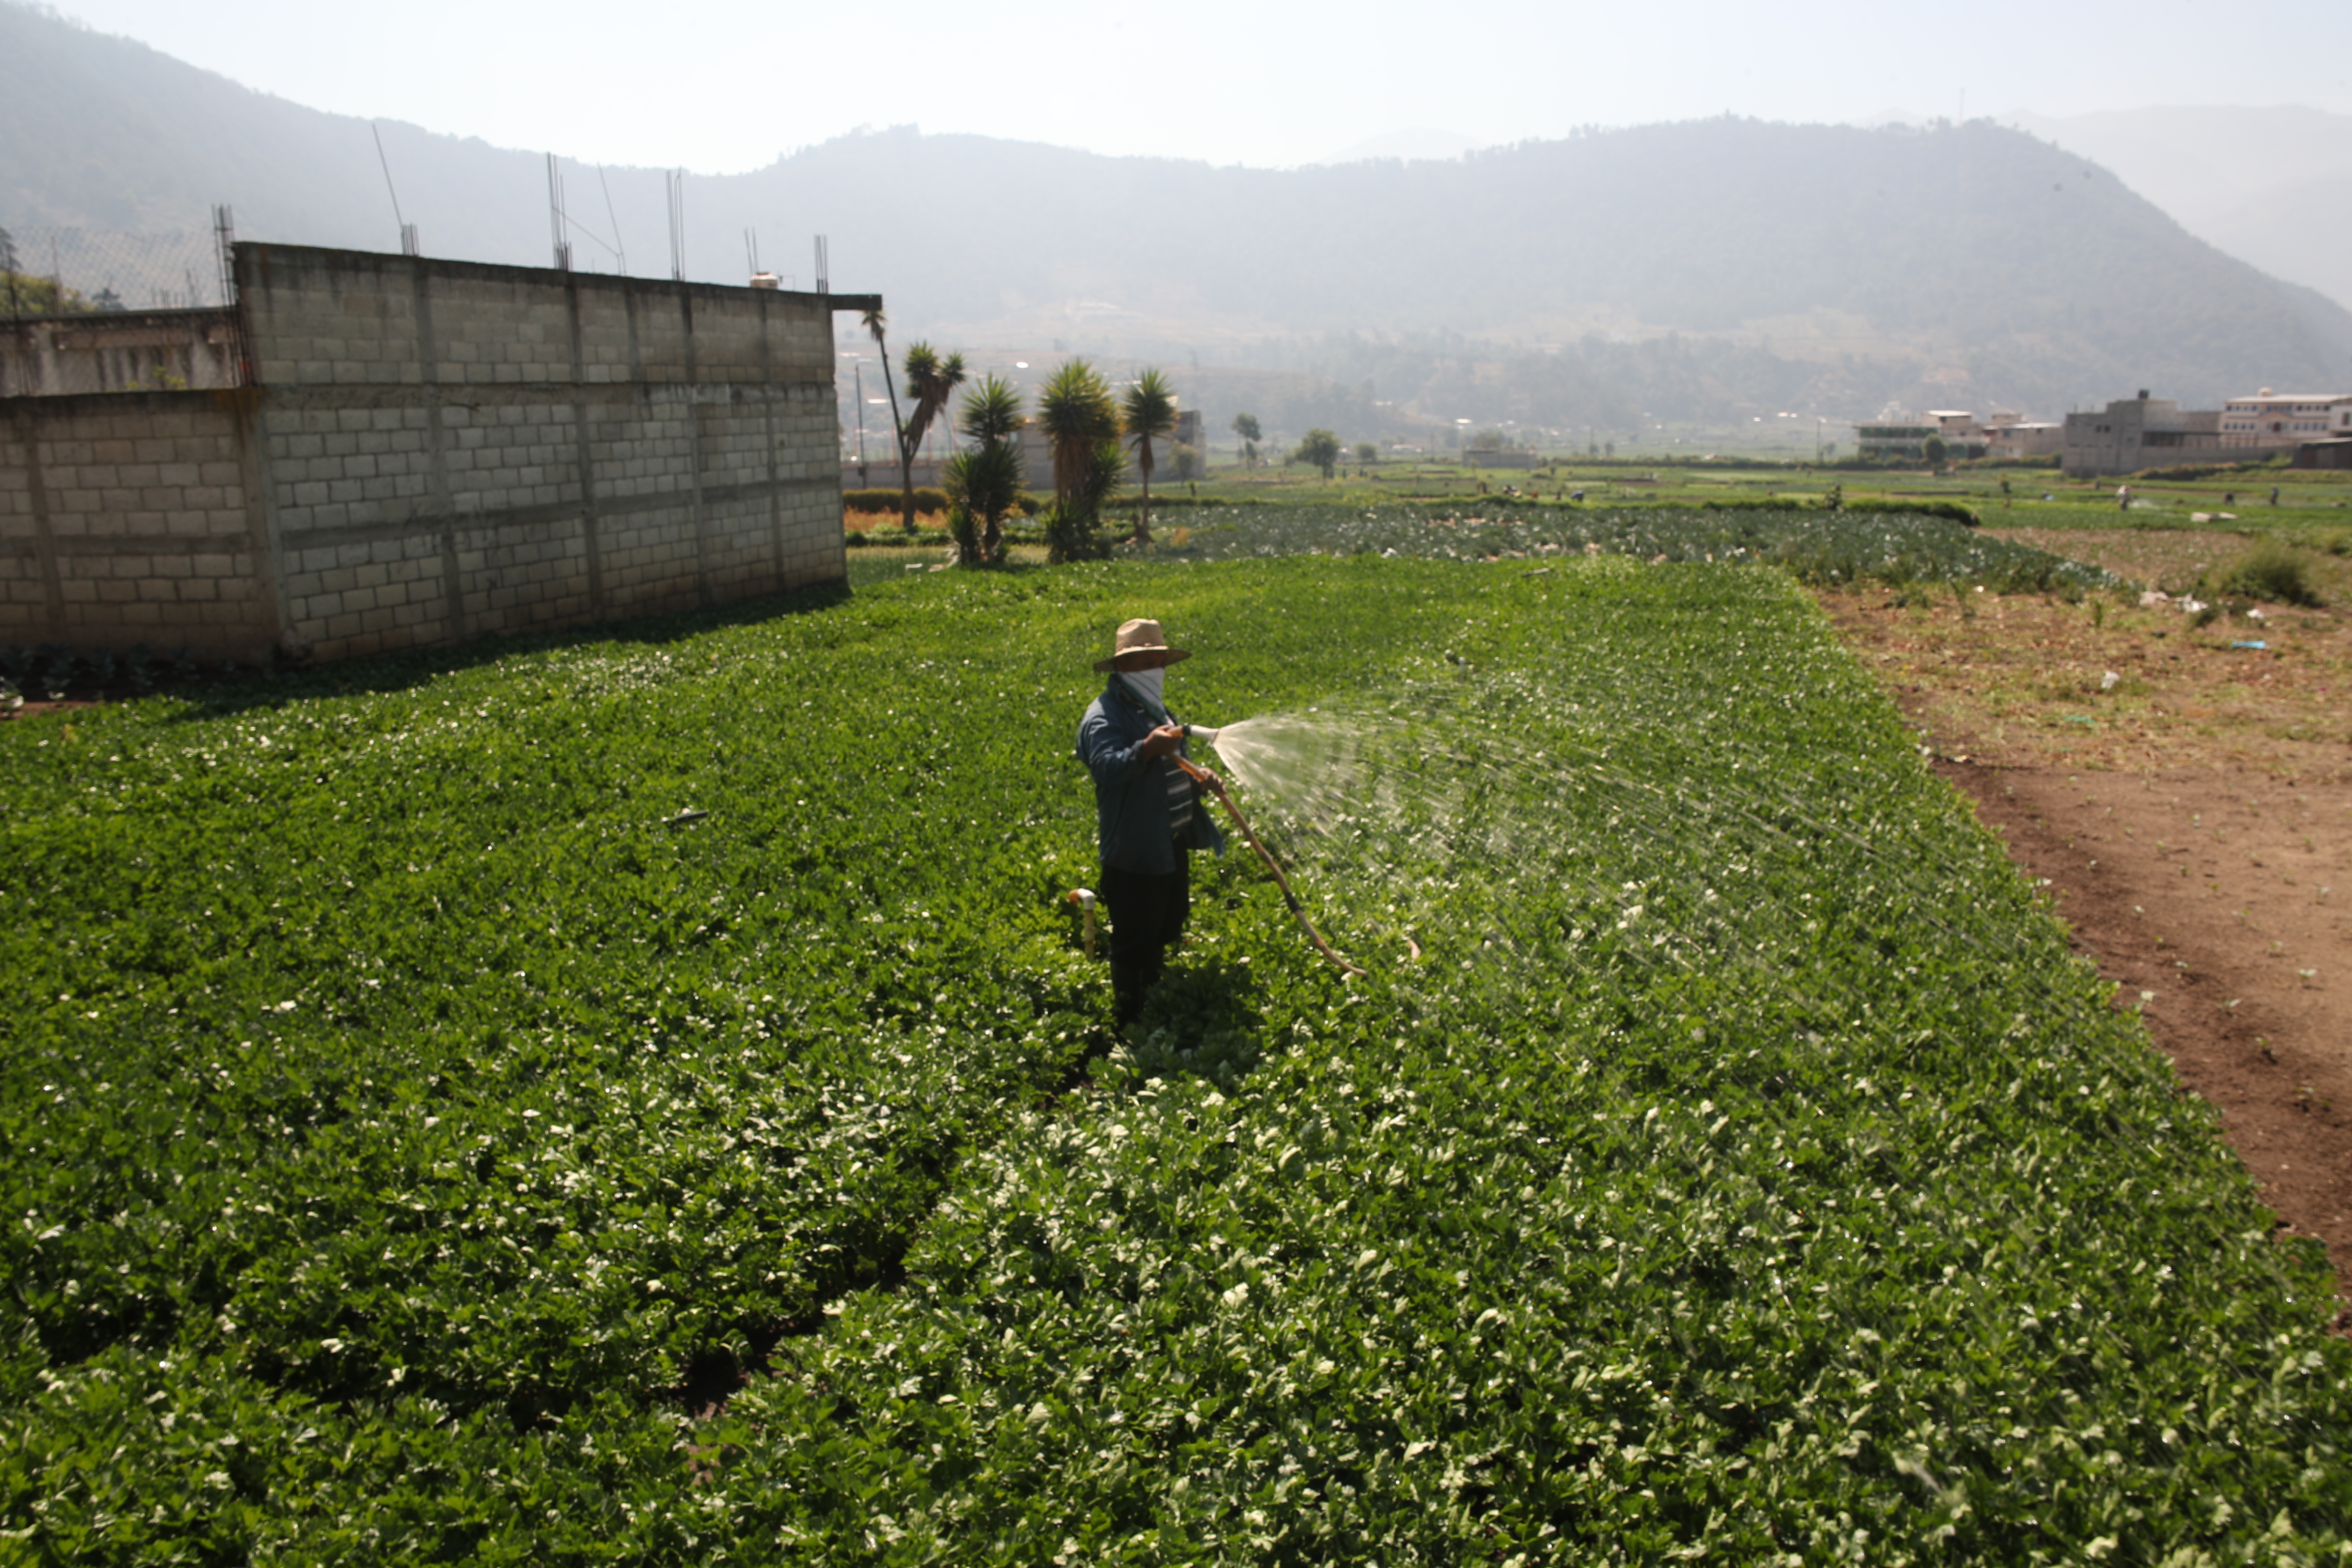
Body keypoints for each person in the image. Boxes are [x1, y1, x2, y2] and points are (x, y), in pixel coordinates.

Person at [1076, 618, 1226, 1029]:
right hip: (1135, 848)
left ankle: (1154, 988)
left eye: (1158, 661)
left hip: (1168, 839)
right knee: (1135, 934)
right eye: (1145, 662)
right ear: (1123, 668)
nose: (1154, 670)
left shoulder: (1154, 707)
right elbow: (1106, 768)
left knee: (1168, 917)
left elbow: (1171, 764)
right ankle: (1128, 1015)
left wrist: (1200, 777)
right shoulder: (1104, 716)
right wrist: (1145, 748)